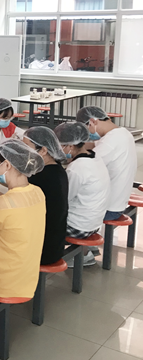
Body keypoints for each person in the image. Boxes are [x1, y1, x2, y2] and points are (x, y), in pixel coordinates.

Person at [0, 140, 46, 299]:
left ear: (7, 165)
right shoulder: (38, 192)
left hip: (2, 283)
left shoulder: (2, 205)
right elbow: (11, 204)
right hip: (27, 279)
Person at [55, 122, 110, 267]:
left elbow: (63, 199)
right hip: (94, 222)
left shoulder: (77, 168)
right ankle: (86, 251)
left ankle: (80, 255)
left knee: (42, 223)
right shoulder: (94, 157)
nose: (59, 150)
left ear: (70, 146)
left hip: (78, 227)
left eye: (61, 146)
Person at [76, 106, 138, 221]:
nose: (88, 135)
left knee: (60, 207)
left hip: (108, 208)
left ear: (93, 122)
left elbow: (85, 165)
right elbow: (93, 145)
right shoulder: (122, 133)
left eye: (87, 130)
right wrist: (72, 144)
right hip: (118, 203)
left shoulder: (111, 141)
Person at [22, 126, 69, 266]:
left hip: (42, 249)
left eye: (26, 147)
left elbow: (14, 199)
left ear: (43, 150)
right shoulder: (56, 170)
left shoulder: (43, 177)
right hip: (55, 244)